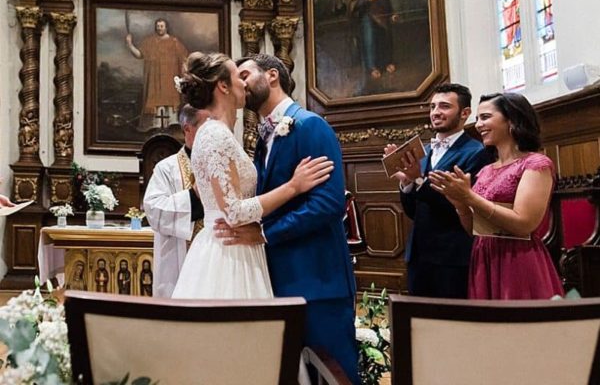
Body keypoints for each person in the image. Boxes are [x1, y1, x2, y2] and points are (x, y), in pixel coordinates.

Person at [215, 54, 359, 384]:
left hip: (318, 279)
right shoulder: (263, 138)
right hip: (279, 278)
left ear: (273, 76)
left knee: (334, 373)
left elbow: (328, 204)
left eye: (246, 74)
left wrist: (264, 234)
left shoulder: (310, 125)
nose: (240, 82)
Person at [171, 52, 334, 300]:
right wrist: (293, 186)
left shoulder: (221, 134)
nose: (244, 83)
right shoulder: (215, 134)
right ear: (223, 86)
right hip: (229, 253)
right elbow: (234, 212)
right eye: (239, 76)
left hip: (244, 248)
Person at [429, 92, 564, 300]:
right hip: (483, 257)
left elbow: (524, 224)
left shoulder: (536, 164)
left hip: (517, 259)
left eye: (485, 117)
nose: (477, 125)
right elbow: (474, 230)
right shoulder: (486, 170)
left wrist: (470, 198)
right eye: (477, 119)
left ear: (511, 120)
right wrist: (460, 204)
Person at [385, 83, 492, 298]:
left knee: (450, 323)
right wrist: (407, 183)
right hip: (418, 254)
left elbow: (461, 205)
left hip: (452, 255)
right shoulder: (422, 151)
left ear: (465, 113)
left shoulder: (477, 153)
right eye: (433, 107)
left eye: (444, 106)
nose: (435, 112)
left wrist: (418, 179)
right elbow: (415, 211)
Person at [143, 104, 208, 298]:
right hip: (179, 258)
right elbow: (154, 211)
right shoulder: (166, 168)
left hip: (214, 257)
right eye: (206, 126)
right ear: (188, 129)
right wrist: (194, 197)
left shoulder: (222, 164)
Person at [125, 18, 189, 130]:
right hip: (154, 78)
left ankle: (172, 122)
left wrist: (185, 73)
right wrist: (130, 44)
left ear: (166, 27)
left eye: (161, 26)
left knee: (170, 96)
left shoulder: (174, 42)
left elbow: (184, 58)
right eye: (158, 26)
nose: (159, 28)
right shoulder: (149, 42)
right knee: (155, 97)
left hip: (169, 76)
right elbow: (139, 55)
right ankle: (155, 124)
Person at [349, 0, 398, 80]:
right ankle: (372, 67)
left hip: (383, 18)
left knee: (385, 38)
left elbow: (387, 2)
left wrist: (392, 14)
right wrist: (367, 0)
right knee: (369, 40)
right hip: (367, 18)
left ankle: (388, 63)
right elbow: (353, 4)